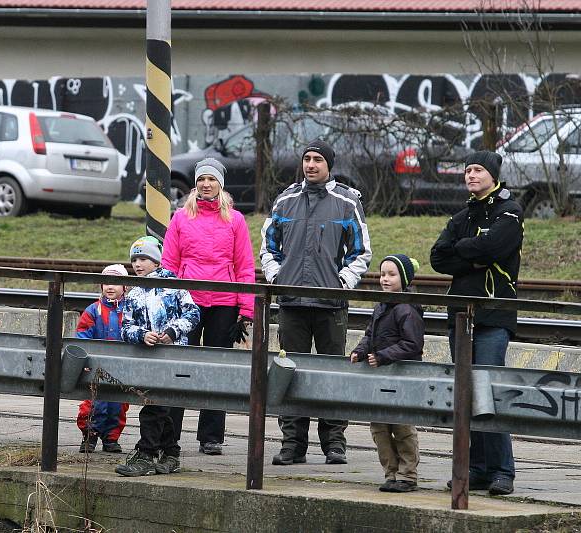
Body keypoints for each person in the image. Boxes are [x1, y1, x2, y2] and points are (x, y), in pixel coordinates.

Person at [260, 139, 372, 466]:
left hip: (330, 304)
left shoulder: (347, 203)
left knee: (331, 376)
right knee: (288, 374)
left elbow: (361, 252)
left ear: (329, 165)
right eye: (307, 159)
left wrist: (342, 283)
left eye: (317, 160)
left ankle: (334, 444)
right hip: (292, 303)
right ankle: (292, 445)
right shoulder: (285, 201)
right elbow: (268, 246)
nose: (311, 165)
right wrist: (276, 278)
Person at [430, 150, 522, 496]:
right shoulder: (462, 216)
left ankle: (502, 471)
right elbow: (438, 256)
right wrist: (473, 257)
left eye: (477, 169)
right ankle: (478, 468)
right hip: (459, 315)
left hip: (493, 315)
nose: (470, 175)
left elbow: (496, 248)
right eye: (467, 170)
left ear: (493, 175)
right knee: (468, 395)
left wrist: (464, 250)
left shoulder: (510, 212)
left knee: (488, 391)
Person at [162, 157, 255, 456]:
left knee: (216, 370)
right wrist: (167, 302)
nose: (205, 184)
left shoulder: (235, 220)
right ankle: (169, 432)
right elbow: (169, 264)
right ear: (195, 184)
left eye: (211, 179)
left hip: (224, 303)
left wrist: (247, 309)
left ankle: (211, 436)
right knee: (179, 368)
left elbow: (245, 266)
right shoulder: (180, 218)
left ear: (220, 184)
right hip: (187, 303)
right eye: (201, 179)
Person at [115, 236, 200, 477]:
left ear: (156, 260)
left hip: (172, 355)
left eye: (143, 259)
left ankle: (147, 453)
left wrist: (172, 332)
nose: (138, 264)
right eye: (134, 260)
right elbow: (126, 327)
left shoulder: (174, 286)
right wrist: (142, 335)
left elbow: (193, 314)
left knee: (154, 405)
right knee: (157, 404)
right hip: (147, 356)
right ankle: (171, 452)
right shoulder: (133, 294)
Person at [350, 254, 424, 493]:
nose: (385, 279)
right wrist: (360, 351)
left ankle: (407, 475)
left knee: (402, 426)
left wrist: (383, 356)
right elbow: (370, 334)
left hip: (401, 377)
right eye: (382, 274)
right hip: (379, 376)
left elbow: (413, 344)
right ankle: (391, 472)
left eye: (392, 275)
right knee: (379, 426)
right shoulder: (381, 306)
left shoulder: (406, 308)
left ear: (404, 278)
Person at [76, 263, 130, 454]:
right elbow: (82, 336)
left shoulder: (130, 310)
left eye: (116, 283)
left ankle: (111, 438)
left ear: (125, 287)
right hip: (96, 367)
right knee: (93, 402)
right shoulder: (93, 310)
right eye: (106, 282)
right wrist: (85, 362)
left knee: (118, 405)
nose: (110, 287)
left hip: (121, 368)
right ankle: (89, 436)